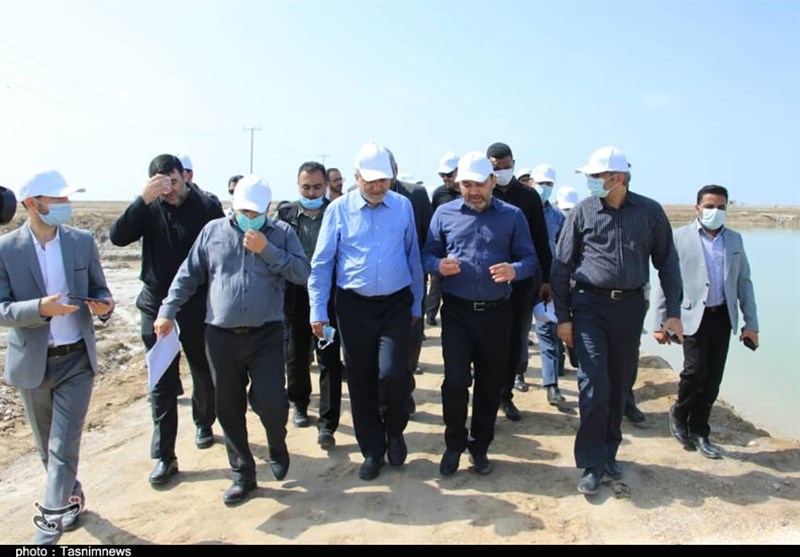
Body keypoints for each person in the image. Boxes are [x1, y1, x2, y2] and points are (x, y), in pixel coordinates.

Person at [154, 175, 309, 505]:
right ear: (234, 207)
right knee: (228, 406)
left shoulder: (282, 233)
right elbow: (188, 274)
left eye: (255, 212)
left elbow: (302, 272)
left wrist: (267, 250)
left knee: (272, 401)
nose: (249, 217)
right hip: (220, 335)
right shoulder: (213, 232)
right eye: (243, 211)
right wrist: (168, 310)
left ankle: (277, 444)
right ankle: (243, 474)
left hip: (266, 334)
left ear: (266, 209)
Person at [551, 145, 683, 496]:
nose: (592, 182)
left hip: (629, 308)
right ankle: (592, 463)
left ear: (618, 178)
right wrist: (563, 318)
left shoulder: (650, 212)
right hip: (589, 306)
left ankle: (610, 451)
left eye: (596, 176)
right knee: (594, 383)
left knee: (618, 383)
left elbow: (667, 263)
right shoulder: (582, 211)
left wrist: (672, 313)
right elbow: (561, 267)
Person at [0, 170, 113, 544]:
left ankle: (46, 534)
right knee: (48, 449)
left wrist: (104, 306)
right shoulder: (5, 249)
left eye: (67, 198)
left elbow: (100, 291)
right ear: (32, 204)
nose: (66, 205)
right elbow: (2, 309)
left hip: (76, 361)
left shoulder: (81, 242)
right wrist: (38, 309)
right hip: (32, 364)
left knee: (63, 447)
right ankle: (71, 495)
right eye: (58, 199)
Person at [308, 142, 423, 481]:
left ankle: (395, 431)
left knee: (394, 374)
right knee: (361, 379)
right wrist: (318, 310)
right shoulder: (338, 210)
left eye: (383, 181)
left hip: (395, 304)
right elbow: (322, 263)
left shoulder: (402, 206)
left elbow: (413, 256)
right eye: (370, 181)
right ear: (356, 177)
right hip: (353, 307)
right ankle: (372, 449)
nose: (376, 187)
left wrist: (417, 302)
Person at [109, 154, 223, 486]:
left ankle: (204, 422)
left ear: (184, 176)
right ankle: (165, 456)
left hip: (196, 304)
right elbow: (118, 237)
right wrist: (142, 200)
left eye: (173, 181)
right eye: (161, 184)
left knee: (204, 371)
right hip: (156, 305)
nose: (169, 189)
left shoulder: (206, 207)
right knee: (161, 380)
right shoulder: (148, 207)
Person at [423, 151, 537, 476]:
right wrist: (437, 265)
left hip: (496, 314)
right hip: (457, 312)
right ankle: (454, 444)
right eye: (466, 185)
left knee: (489, 384)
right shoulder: (444, 214)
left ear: (492, 181)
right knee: (455, 381)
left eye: (479, 184)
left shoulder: (513, 216)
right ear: (459, 184)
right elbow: (427, 254)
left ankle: (480, 446)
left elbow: (530, 259)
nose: (473, 191)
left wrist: (514, 270)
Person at [653, 184, 759, 459]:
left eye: (721, 207)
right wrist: (660, 322)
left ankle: (700, 430)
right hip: (690, 316)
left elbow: (744, 282)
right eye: (710, 206)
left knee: (713, 378)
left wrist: (751, 324)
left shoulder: (734, 240)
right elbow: (666, 281)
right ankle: (680, 412)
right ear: (697, 208)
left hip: (722, 316)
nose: (715, 211)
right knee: (695, 372)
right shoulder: (679, 237)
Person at [276, 162, 344, 448]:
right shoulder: (285, 214)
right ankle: (300, 404)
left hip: (327, 298)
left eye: (317, 187)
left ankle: (327, 424)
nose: (312, 192)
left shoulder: (337, 211)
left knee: (328, 356)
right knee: (295, 353)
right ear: (298, 185)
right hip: (295, 296)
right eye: (306, 187)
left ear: (326, 186)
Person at [487, 142, 552, 422]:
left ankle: (506, 395)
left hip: (522, 281)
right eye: (496, 168)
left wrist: (547, 278)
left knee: (515, 340)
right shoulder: (482, 193)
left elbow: (541, 240)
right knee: (489, 341)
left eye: (506, 167)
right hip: (488, 280)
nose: (502, 172)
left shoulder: (528, 197)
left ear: (513, 163)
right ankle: (487, 395)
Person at [388, 149, 433, 413]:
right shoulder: (356, 196)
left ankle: (405, 390)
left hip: (411, 283)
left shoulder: (416, 195)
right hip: (376, 287)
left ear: (395, 169)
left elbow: (429, 237)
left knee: (411, 341)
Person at [529, 164, 566, 404]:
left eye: (549, 184)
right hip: (521, 277)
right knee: (519, 332)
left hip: (547, 278)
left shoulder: (558, 216)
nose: (544, 188)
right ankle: (518, 374)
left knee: (548, 331)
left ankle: (551, 385)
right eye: (541, 183)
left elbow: (564, 249)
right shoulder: (520, 211)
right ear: (531, 182)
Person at [426, 152, 460, 327]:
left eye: (449, 174)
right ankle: (431, 314)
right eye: (442, 175)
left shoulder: (472, 192)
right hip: (442, 253)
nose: (445, 178)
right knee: (436, 284)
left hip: (462, 251)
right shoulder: (439, 194)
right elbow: (433, 223)